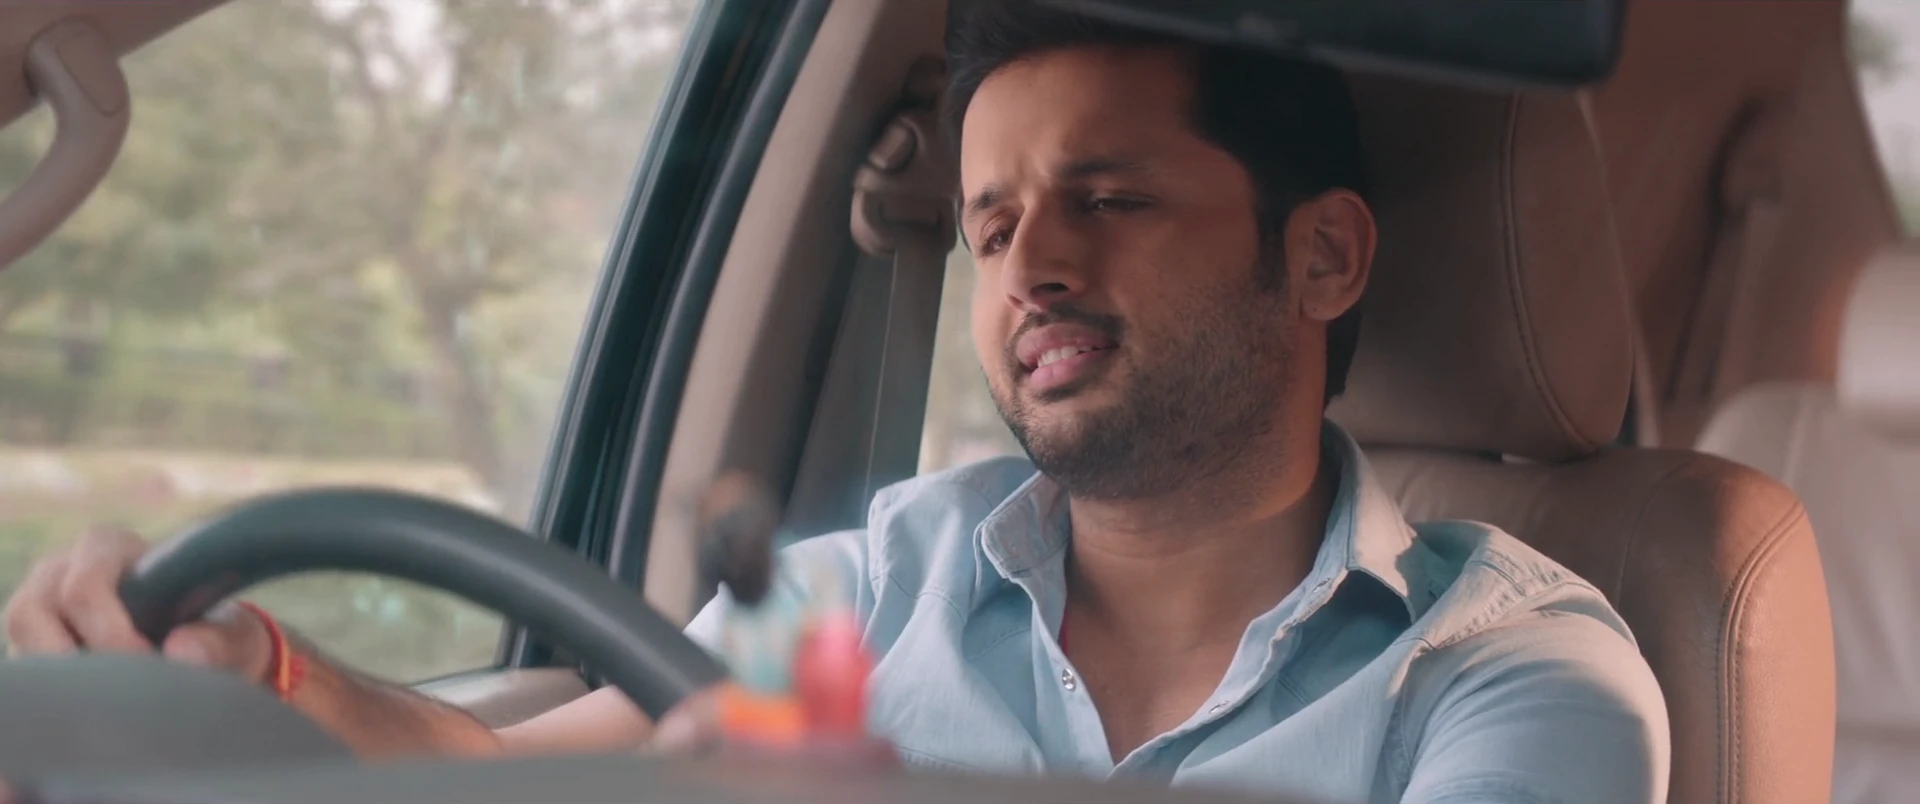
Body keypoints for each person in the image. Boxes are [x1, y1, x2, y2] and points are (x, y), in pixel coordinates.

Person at [1, 1, 1670, 800]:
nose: (1030, 268)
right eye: (992, 226)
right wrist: (268, 673)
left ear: (1322, 256)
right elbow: (515, 769)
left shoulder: (1519, 678)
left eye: (1111, 198)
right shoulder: (874, 588)